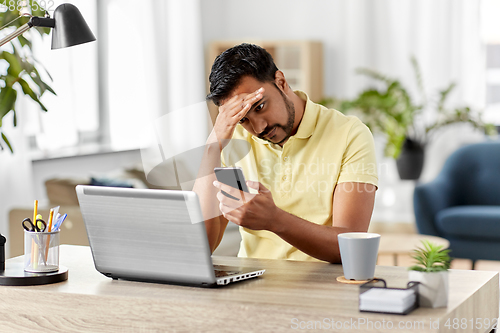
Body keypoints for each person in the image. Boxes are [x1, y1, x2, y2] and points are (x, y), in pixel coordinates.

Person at [192, 43, 378, 263]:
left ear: (281, 81)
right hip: (252, 285)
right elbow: (201, 246)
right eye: (243, 119)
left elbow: (350, 247)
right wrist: (212, 147)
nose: (259, 127)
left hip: (325, 287)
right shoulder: (234, 140)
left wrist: (274, 219)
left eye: (260, 107)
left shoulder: (350, 134)